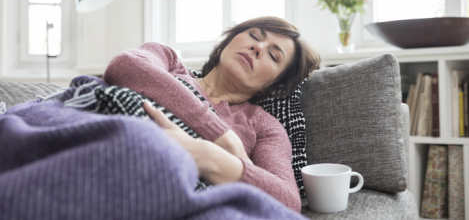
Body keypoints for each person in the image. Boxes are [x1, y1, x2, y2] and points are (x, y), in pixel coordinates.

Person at [103, 16, 321, 213]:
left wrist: (208, 156)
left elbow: (288, 202)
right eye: (254, 35)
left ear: (274, 85)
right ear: (229, 40)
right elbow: (123, 66)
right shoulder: (169, 62)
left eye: (273, 56)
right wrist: (222, 137)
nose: (258, 46)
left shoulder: (264, 126)